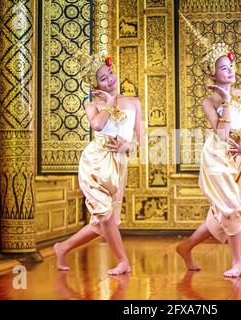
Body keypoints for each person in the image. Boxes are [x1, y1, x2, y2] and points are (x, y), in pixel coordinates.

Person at [176, 42, 241, 278]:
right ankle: (237, 262)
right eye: (224, 68)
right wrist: (225, 101)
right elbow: (223, 135)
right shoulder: (209, 102)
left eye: (231, 65)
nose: (230, 70)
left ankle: (185, 247)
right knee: (232, 208)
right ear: (213, 74)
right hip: (217, 156)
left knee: (221, 213)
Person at [53, 51, 142, 276]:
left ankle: (62, 248)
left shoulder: (133, 102)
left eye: (110, 73)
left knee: (102, 223)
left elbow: (138, 140)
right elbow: (98, 126)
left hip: (119, 163)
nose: (110, 78)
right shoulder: (92, 106)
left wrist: (127, 146)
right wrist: (110, 103)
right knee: (105, 215)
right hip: (96, 162)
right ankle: (123, 261)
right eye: (103, 78)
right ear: (95, 85)